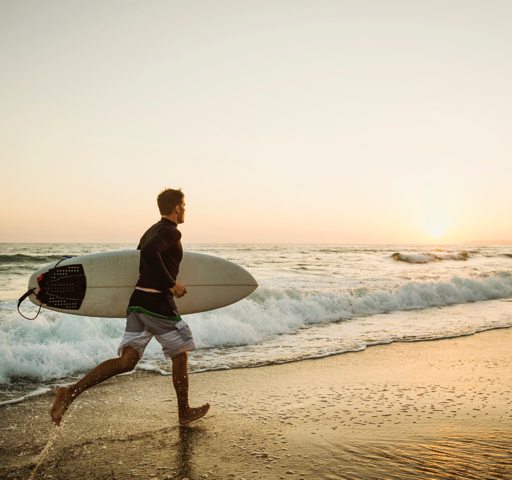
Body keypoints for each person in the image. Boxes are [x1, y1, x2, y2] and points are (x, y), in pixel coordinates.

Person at [50, 188, 210, 426]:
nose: (185, 209)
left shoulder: (150, 231)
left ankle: (71, 392)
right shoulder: (171, 232)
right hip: (157, 302)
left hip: (137, 302)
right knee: (180, 355)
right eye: (183, 205)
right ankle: (184, 412)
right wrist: (171, 284)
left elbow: (138, 258)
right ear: (176, 207)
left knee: (127, 362)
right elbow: (149, 252)